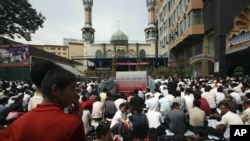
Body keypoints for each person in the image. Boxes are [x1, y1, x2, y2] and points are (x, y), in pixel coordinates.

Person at [0, 66, 86, 141]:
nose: (76, 94)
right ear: (55, 90)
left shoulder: (20, 122)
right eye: (72, 89)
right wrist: (77, 120)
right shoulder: (72, 123)